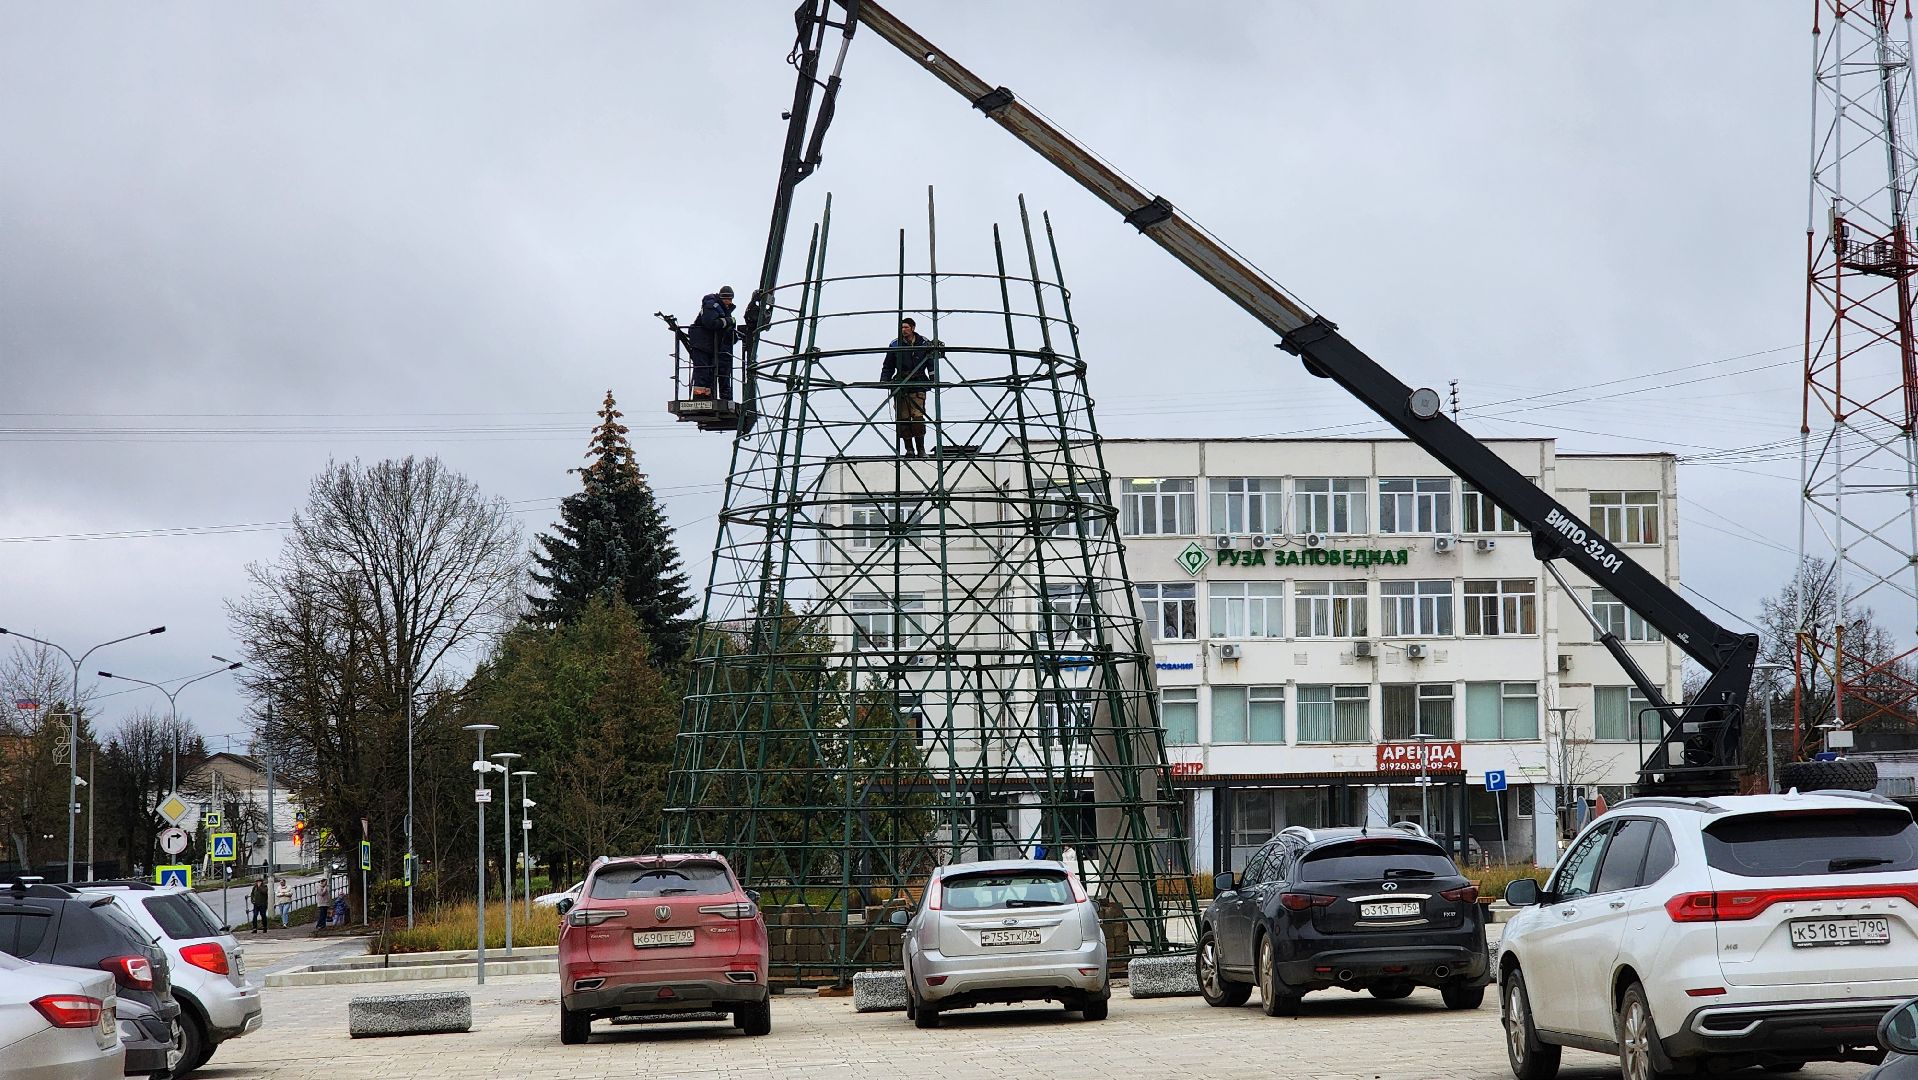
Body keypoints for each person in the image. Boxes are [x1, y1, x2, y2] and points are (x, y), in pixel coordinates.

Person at [881, 317, 941, 457]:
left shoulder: (924, 343)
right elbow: (888, 365)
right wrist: (885, 381)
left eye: (906, 327)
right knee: (903, 420)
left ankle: (921, 449)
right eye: (902, 327)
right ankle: (909, 450)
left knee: (918, 418)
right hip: (901, 386)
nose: (903, 330)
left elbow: (931, 363)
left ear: (913, 328)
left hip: (918, 383)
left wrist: (934, 379)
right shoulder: (895, 344)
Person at [687, 285, 738, 400]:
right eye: (726, 299)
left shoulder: (722, 309)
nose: (728, 302)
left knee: (710, 371)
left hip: (710, 346)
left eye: (730, 299)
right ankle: (700, 397)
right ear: (720, 298)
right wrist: (729, 321)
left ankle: (708, 396)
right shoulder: (711, 305)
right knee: (703, 370)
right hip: (702, 344)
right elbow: (710, 323)